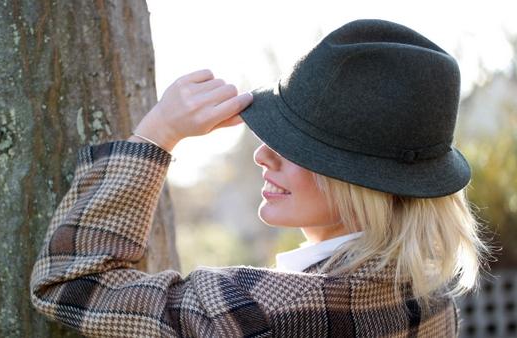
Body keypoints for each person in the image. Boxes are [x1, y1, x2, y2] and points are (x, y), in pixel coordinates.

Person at [30, 19, 491, 337]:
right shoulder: (432, 302)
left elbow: (70, 284)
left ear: (362, 183)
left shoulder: (255, 310)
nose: (264, 155)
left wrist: (157, 134)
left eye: (299, 148)